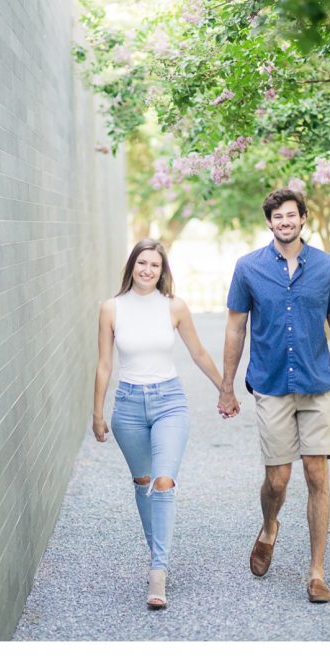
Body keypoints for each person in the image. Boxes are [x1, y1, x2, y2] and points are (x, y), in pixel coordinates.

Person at [217, 188, 330, 604]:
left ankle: (316, 572)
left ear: (303, 219)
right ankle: (269, 526)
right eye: (277, 217)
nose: (285, 222)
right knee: (277, 479)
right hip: (272, 384)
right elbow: (234, 328)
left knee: (317, 474)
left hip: (318, 384)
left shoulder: (327, 267)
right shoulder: (248, 268)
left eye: (291, 215)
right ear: (269, 223)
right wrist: (227, 386)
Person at [92, 238, 231, 609]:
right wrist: (97, 413)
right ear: (131, 266)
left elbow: (198, 352)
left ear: (162, 270)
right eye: (142, 263)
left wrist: (225, 389)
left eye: (155, 265)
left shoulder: (175, 308)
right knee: (143, 483)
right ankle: (158, 552)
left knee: (163, 481)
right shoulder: (111, 309)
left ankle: (159, 569)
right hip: (128, 406)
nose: (147, 270)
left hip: (170, 401)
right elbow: (105, 364)